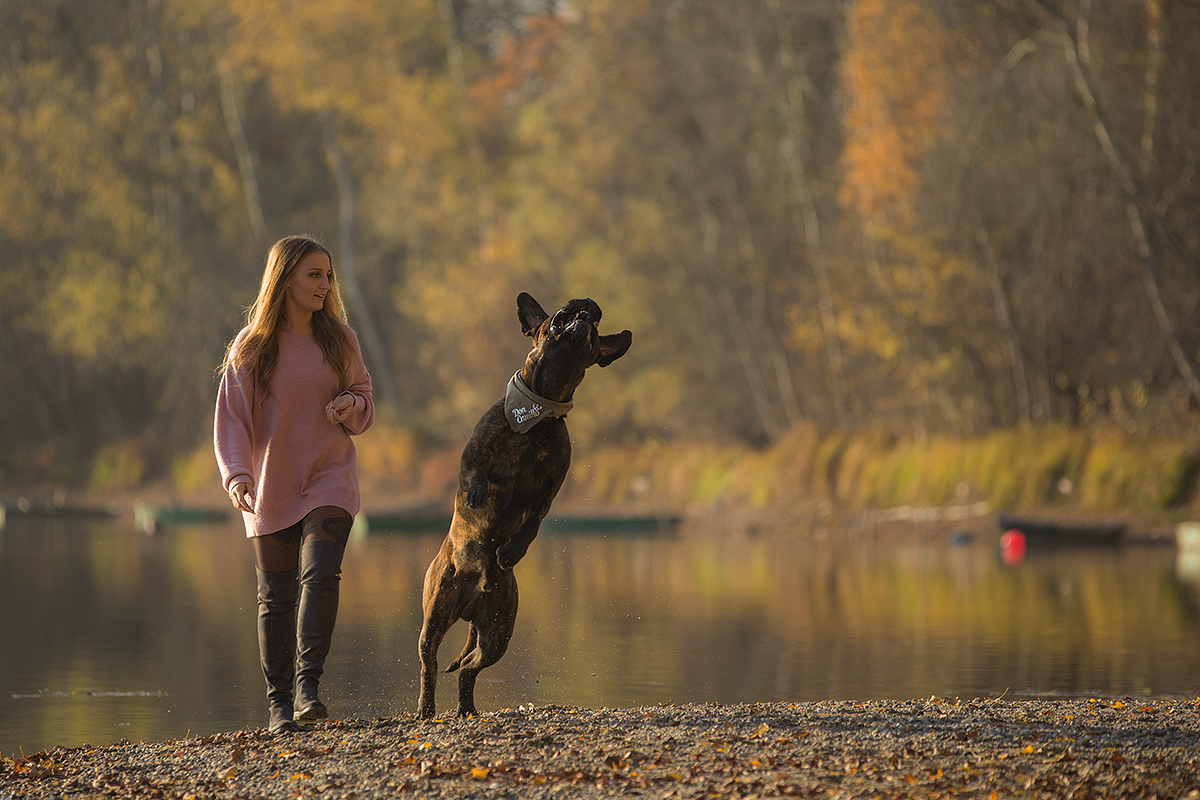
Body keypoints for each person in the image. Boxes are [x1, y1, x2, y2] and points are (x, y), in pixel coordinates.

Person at [214, 235, 374, 734]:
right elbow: (231, 420)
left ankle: (308, 689)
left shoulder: (340, 339)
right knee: (276, 598)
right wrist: (237, 475)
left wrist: (352, 405)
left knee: (321, 571)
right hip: (269, 484)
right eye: (314, 275)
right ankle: (279, 705)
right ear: (284, 279)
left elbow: (364, 399)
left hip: (330, 476)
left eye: (329, 276)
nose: (325, 284)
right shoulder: (250, 345)